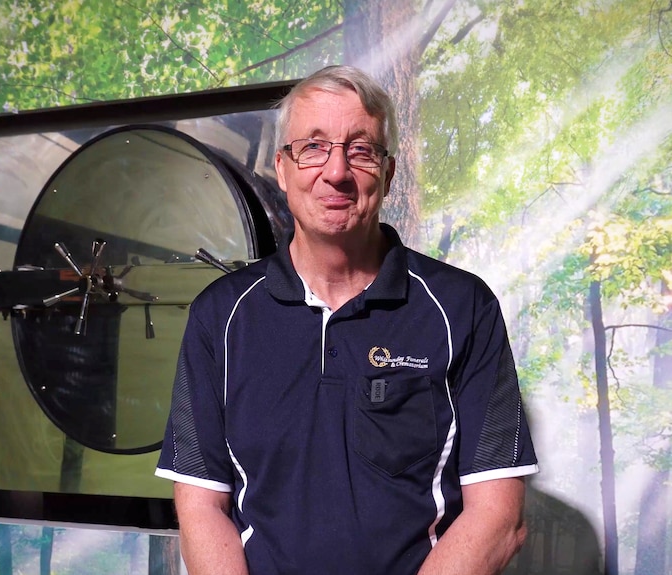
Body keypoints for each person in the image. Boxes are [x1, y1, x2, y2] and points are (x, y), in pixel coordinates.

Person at [155, 64, 539, 575]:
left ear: (389, 173)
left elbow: (499, 518)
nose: (336, 172)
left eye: (360, 149)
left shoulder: (463, 307)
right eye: (312, 147)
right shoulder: (220, 317)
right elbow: (202, 505)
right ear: (282, 168)